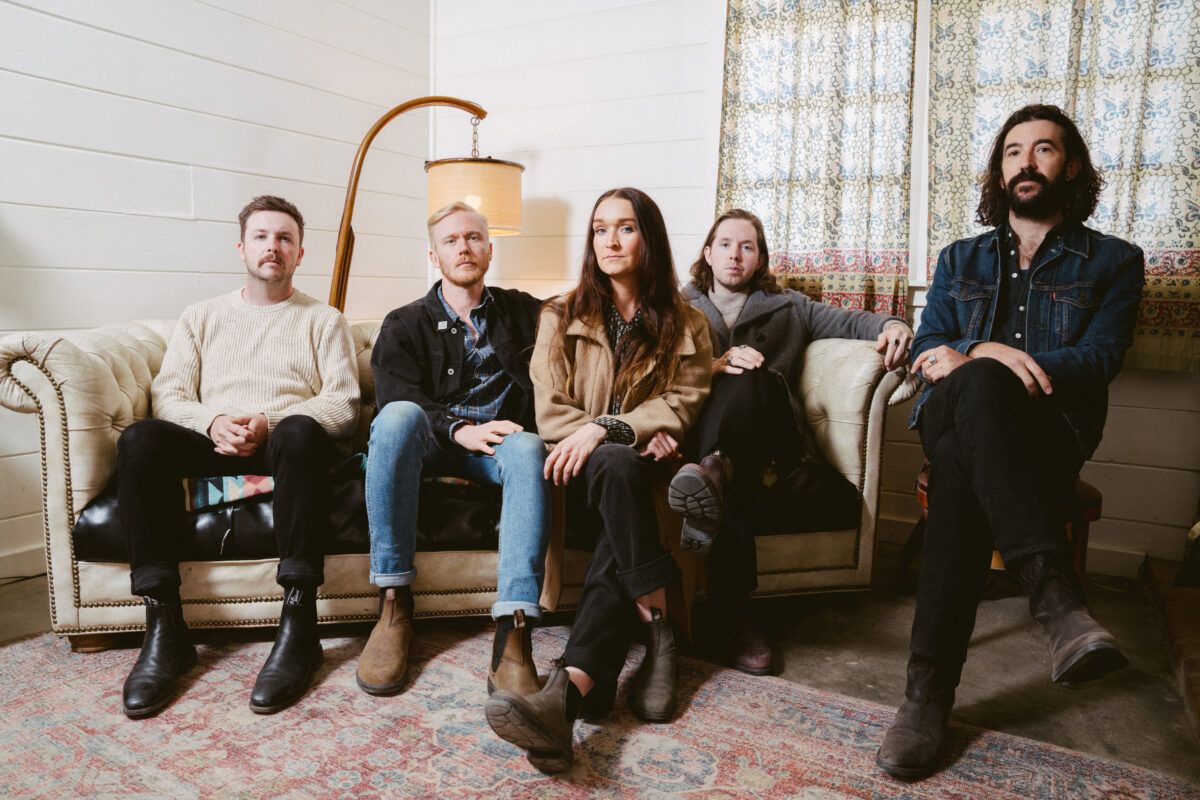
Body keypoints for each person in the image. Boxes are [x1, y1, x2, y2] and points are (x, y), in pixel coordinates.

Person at [876, 104, 1144, 779]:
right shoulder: (959, 257)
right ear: (1000, 172)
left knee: (960, 473)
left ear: (1070, 167)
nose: (1027, 162)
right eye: (1013, 151)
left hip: (1047, 434)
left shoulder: (1115, 261)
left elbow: (1100, 358)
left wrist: (994, 366)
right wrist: (983, 352)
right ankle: (1055, 601)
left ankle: (926, 696)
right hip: (948, 414)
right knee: (975, 388)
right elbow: (930, 348)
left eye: (1044, 149)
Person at [484, 187, 712, 773]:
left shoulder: (687, 322)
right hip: (573, 479)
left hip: (644, 480)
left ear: (649, 238)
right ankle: (659, 628)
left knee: (618, 466)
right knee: (610, 463)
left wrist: (610, 429)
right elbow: (551, 412)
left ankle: (571, 690)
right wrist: (610, 432)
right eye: (600, 228)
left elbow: (683, 402)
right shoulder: (559, 316)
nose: (610, 240)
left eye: (625, 228)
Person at [118, 195, 360, 717]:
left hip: (287, 450)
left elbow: (343, 405)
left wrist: (269, 422)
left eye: (285, 238)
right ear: (242, 248)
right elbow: (169, 395)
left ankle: (300, 623)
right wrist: (213, 421)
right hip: (214, 441)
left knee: (299, 429)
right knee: (139, 440)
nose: (273, 246)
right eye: (261, 236)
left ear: (299, 253)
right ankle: (165, 626)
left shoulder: (324, 320)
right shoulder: (201, 316)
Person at [673, 209, 914, 675]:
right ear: (708, 253)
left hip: (773, 438)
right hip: (703, 436)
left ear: (760, 258)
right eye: (725, 244)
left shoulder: (788, 306)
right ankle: (737, 616)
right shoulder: (677, 309)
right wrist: (714, 367)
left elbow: (852, 322)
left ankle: (716, 472)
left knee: (754, 374)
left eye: (747, 246)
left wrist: (891, 325)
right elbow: (655, 375)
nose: (735, 255)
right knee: (729, 485)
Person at [360, 202, 549, 697]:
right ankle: (394, 602)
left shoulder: (525, 312)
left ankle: (514, 629)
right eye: (451, 240)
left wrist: (702, 357)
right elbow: (394, 397)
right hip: (429, 443)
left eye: (473, 237)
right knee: (397, 417)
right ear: (434, 256)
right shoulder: (403, 323)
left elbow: (596, 317)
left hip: (498, 446)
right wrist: (456, 429)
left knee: (529, 447)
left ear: (489, 249)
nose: (463, 247)